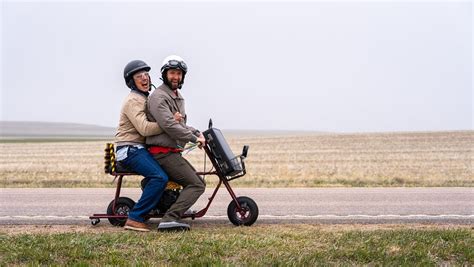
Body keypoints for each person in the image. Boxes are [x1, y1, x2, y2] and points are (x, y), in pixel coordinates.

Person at [146, 55, 206, 231]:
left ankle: (177, 208)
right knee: (197, 184)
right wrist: (195, 139)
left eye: (179, 74)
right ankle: (169, 218)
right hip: (162, 152)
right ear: (165, 74)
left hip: (171, 151)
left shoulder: (176, 96)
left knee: (197, 181)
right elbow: (170, 126)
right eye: (172, 73)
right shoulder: (159, 97)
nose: (175, 77)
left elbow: (180, 124)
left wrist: (197, 132)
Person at [115, 59, 171, 232]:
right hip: (129, 149)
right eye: (139, 76)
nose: (145, 78)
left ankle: (157, 205)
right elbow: (145, 128)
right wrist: (168, 124)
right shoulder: (133, 100)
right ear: (131, 81)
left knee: (169, 168)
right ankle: (135, 218)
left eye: (146, 74)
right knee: (159, 178)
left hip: (138, 148)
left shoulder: (144, 98)